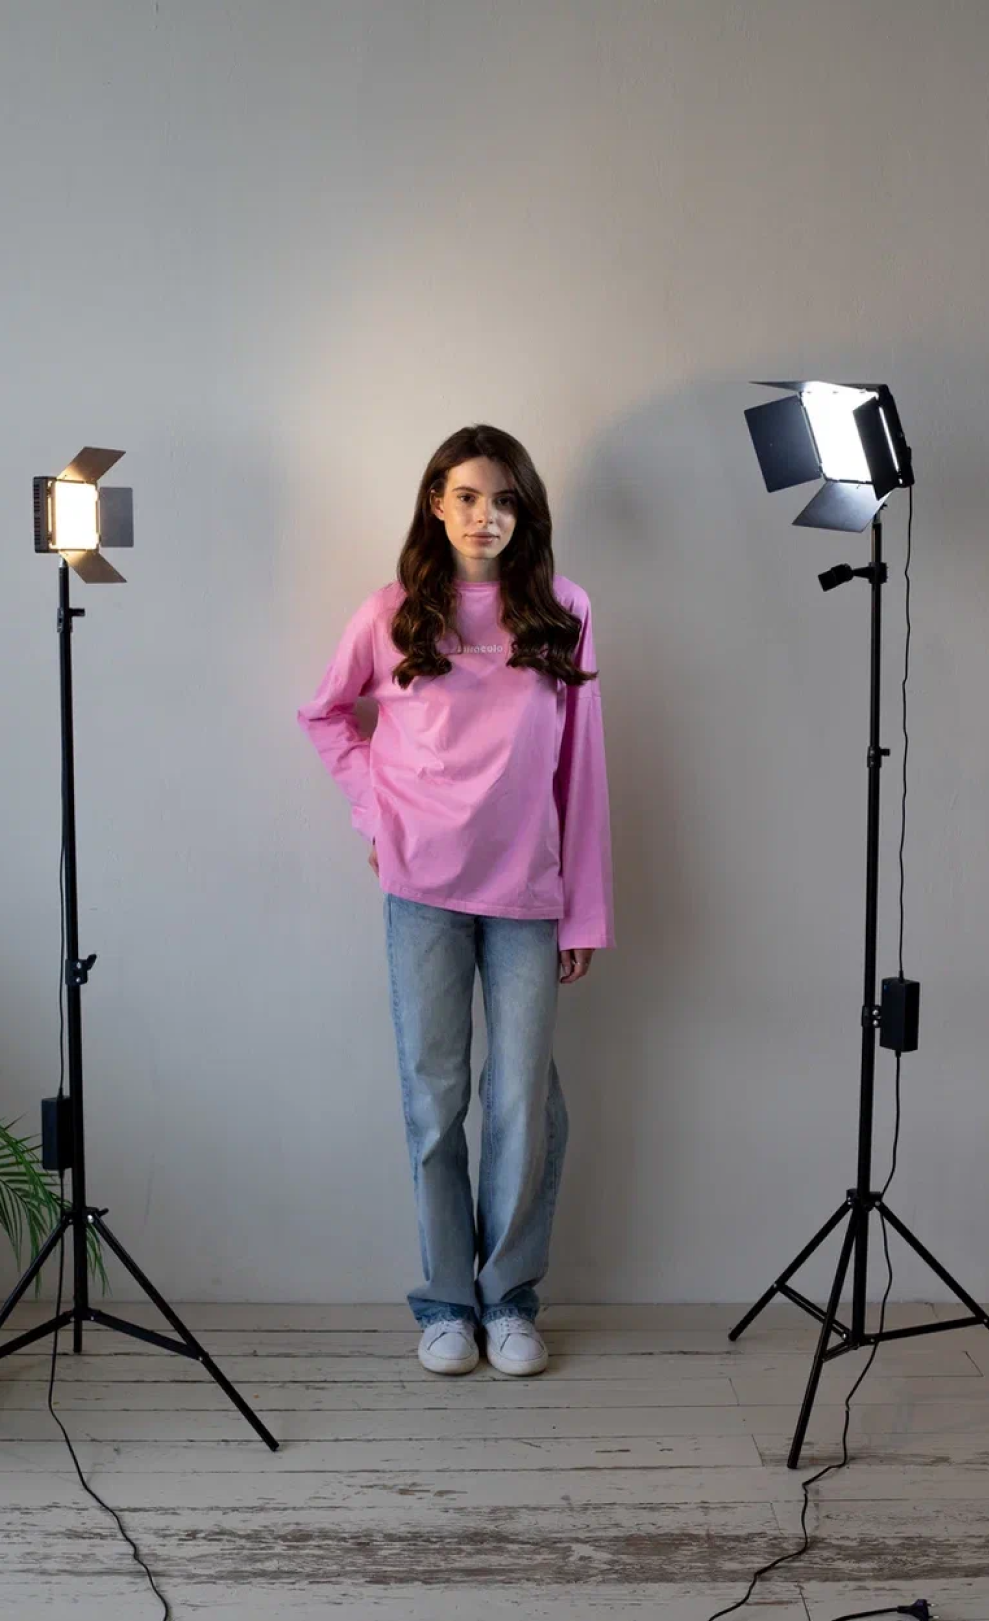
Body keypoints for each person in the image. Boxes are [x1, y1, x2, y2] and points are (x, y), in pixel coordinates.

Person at [296, 423, 615, 1379]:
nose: (487, 516)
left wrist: (584, 910)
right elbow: (325, 713)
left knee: (522, 1098)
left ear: (526, 512)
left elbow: (582, 770)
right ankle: (446, 1302)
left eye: (505, 499)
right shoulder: (392, 614)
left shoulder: (563, 610)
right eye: (469, 496)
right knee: (434, 1100)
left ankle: (509, 1298)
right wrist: (375, 811)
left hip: (527, 891)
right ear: (436, 503)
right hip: (422, 890)